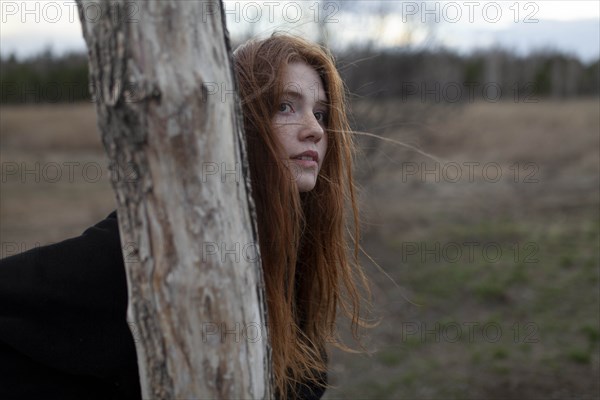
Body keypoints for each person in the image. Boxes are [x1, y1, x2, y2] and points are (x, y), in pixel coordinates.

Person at [0, 33, 370, 399]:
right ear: (238, 123)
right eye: (286, 106)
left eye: (320, 112)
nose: (316, 130)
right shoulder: (166, 236)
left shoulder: (293, 243)